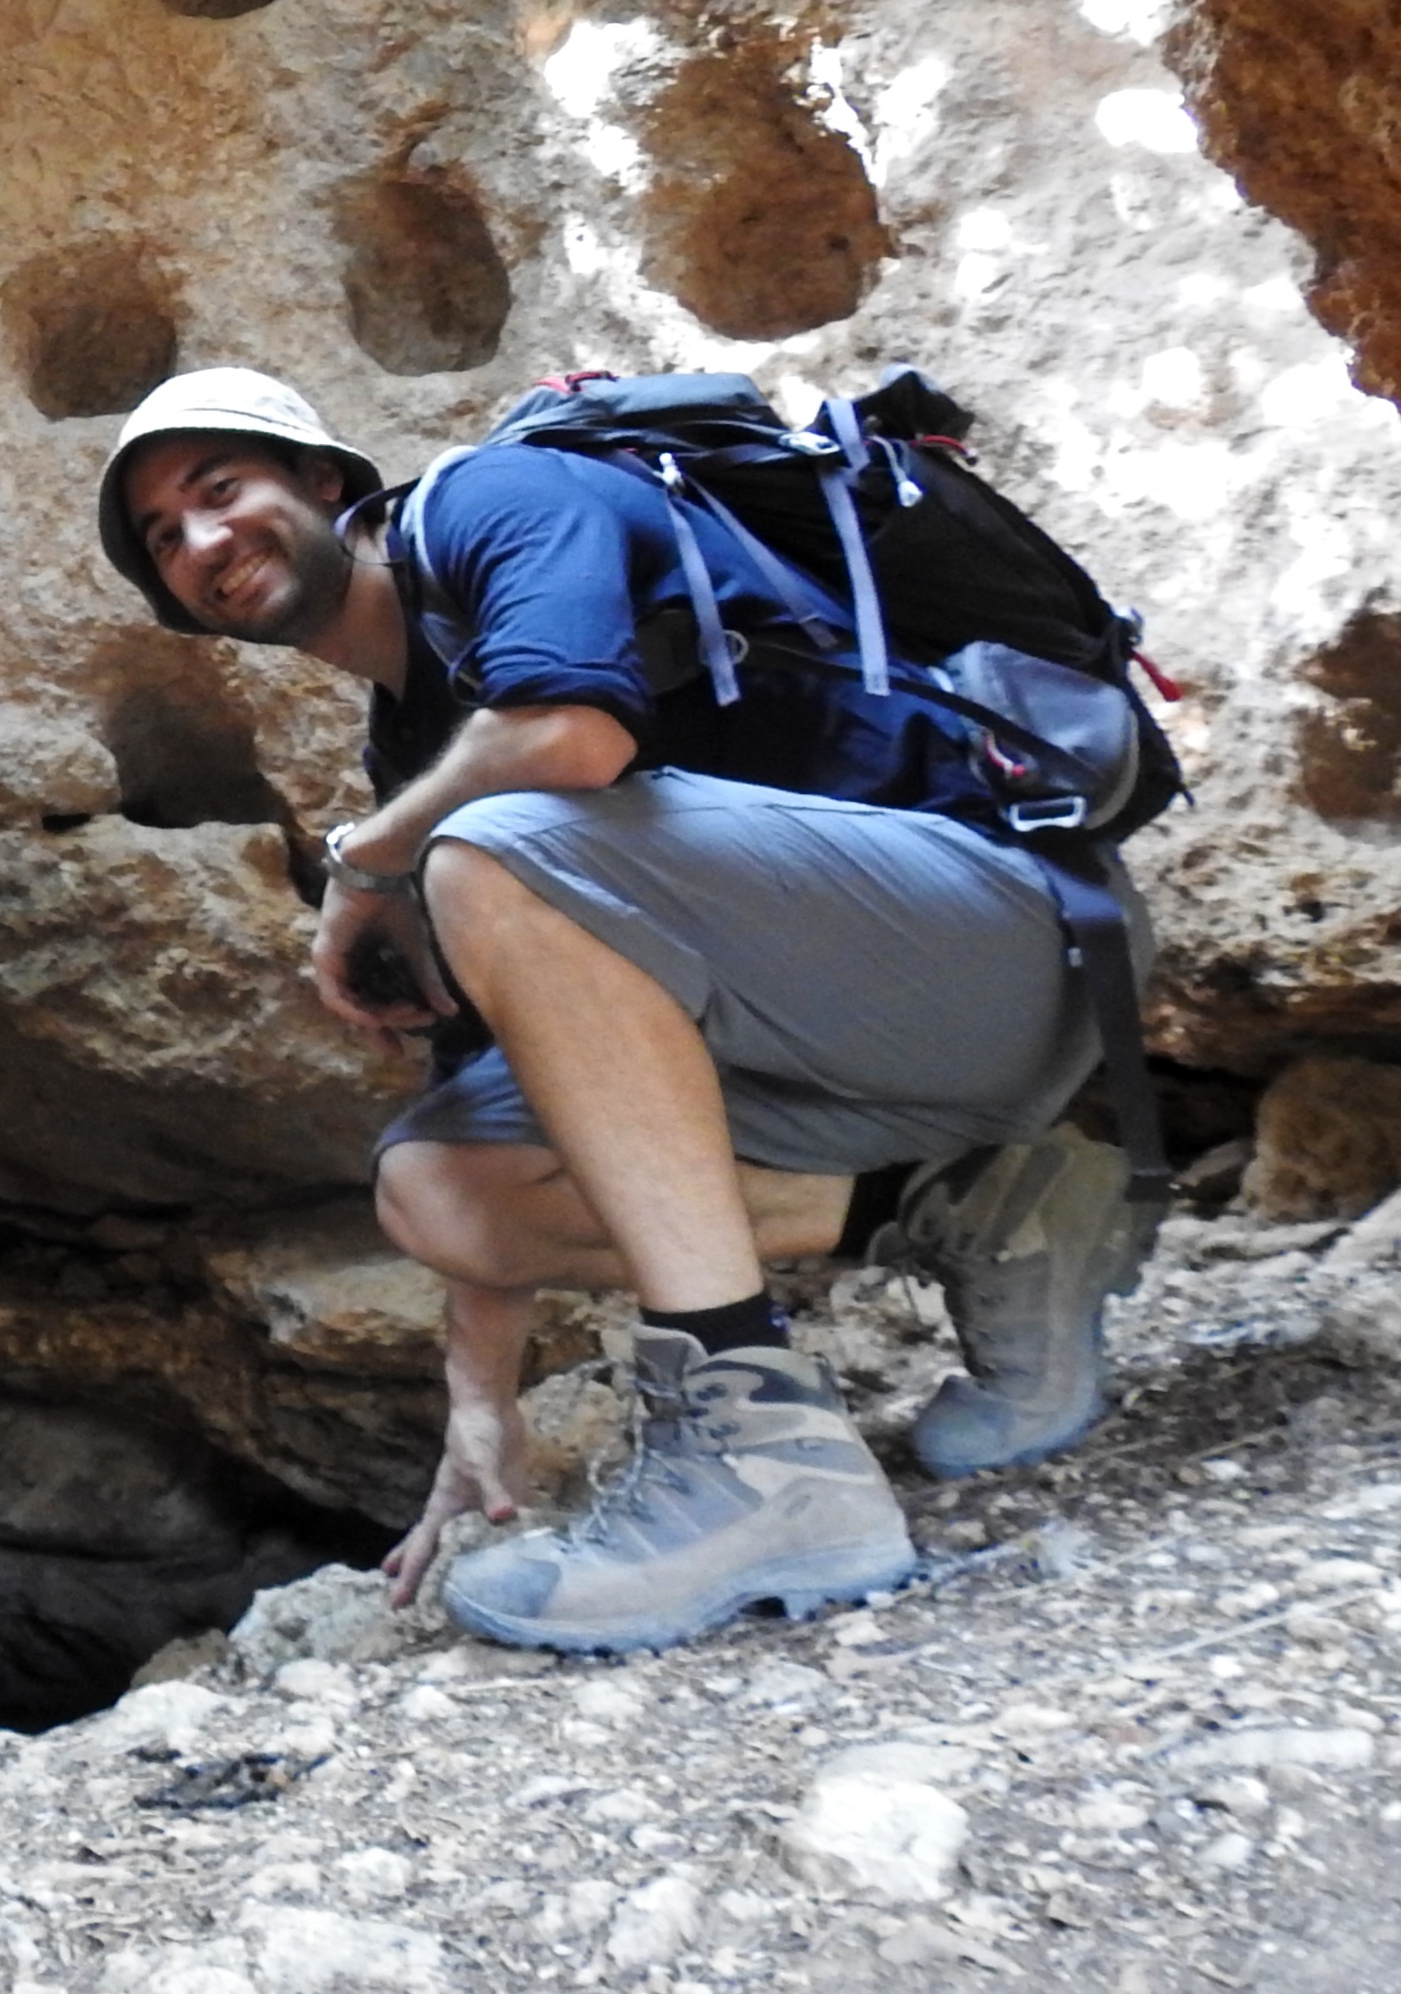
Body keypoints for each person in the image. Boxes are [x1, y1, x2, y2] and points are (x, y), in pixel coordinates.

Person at [92, 367, 1152, 1653]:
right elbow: (506, 1056)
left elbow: (572, 741)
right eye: (164, 537)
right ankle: (973, 1205)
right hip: (822, 1020)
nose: (202, 542)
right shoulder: (419, 739)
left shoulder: (498, 501)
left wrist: (367, 860)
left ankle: (764, 1461)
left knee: (485, 845)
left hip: (1004, 939)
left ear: (323, 483)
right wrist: (474, 1404)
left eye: (220, 491)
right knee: (439, 1189)